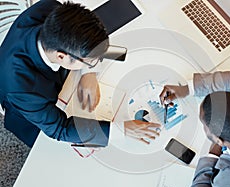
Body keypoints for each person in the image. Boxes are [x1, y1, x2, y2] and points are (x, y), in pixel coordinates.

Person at [0, 0, 160, 148]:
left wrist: (89, 72)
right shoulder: (20, 88)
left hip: (58, 80)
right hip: (26, 111)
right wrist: (120, 130)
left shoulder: (53, 9)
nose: (96, 63)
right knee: (49, 151)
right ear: (61, 56)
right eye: (91, 61)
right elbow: (60, 129)